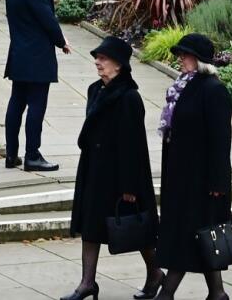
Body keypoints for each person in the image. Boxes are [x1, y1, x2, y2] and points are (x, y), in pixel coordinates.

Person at [63, 37, 161, 300]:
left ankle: (155, 273)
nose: (97, 62)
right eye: (97, 57)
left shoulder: (129, 97)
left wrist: (129, 186)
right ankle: (87, 283)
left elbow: (134, 145)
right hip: (95, 170)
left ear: (119, 64)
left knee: (136, 229)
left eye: (103, 58)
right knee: (90, 226)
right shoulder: (96, 89)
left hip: (122, 174)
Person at [154, 33, 232, 300]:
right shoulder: (183, 86)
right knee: (201, 236)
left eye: (185, 55)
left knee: (187, 236)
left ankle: (167, 294)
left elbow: (221, 139)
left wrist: (218, 182)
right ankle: (217, 293)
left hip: (202, 179)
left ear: (198, 60)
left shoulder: (213, 89)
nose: (180, 58)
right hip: (182, 176)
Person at [3, 0, 71, 172]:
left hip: (19, 53)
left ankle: (11, 154)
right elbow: (47, 19)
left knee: (16, 103)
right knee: (36, 106)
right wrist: (62, 42)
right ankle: (32, 155)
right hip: (37, 57)